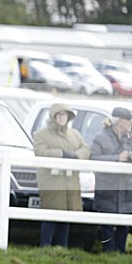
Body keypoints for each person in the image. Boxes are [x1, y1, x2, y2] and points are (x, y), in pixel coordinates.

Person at [32, 103, 90, 247]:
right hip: (51, 182)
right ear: (53, 117)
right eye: (59, 115)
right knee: (50, 216)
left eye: (65, 115)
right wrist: (61, 154)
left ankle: (62, 248)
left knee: (66, 217)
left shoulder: (75, 135)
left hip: (70, 183)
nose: (62, 118)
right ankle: (45, 246)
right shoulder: (42, 134)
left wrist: (76, 155)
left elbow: (86, 149)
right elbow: (40, 152)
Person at [90, 106, 132, 253]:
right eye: (129, 120)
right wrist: (117, 158)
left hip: (127, 191)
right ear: (120, 121)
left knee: (124, 225)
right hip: (107, 191)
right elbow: (93, 158)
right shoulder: (100, 137)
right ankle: (108, 253)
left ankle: (120, 253)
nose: (131, 123)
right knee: (107, 227)